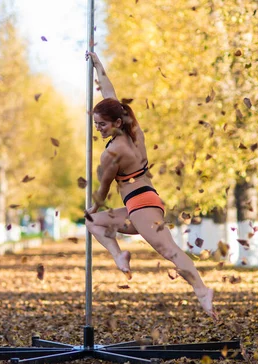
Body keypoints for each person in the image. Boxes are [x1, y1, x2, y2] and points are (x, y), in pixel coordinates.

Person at [84, 51, 218, 321]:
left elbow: (104, 188)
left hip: (142, 205)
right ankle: (120, 257)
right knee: (92, 222)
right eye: (95, 124)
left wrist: (95, 203)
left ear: (116, 123)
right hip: (141, 202)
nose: (97, 129)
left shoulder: (113, 153)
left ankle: (202, 290)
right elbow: (111, 96)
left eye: (101, 125)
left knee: (170, 251)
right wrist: (99, 67)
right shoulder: (133, 129)